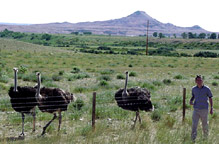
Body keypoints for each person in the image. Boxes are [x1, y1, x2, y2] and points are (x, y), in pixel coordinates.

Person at [190, 75, 213, 141]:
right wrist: (191, 100)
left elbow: (210, 97)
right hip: (196, 109)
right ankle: (193, 139)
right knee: (194, 124)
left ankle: (205, 139)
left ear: (202, 81)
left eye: (200, 80)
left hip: (204, 109)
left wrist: (211, 108)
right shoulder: (194, 89)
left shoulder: (207, 89)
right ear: (195, 81)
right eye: (198, 80)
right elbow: (193, 96)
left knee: (205, 124)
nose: (199, 82)